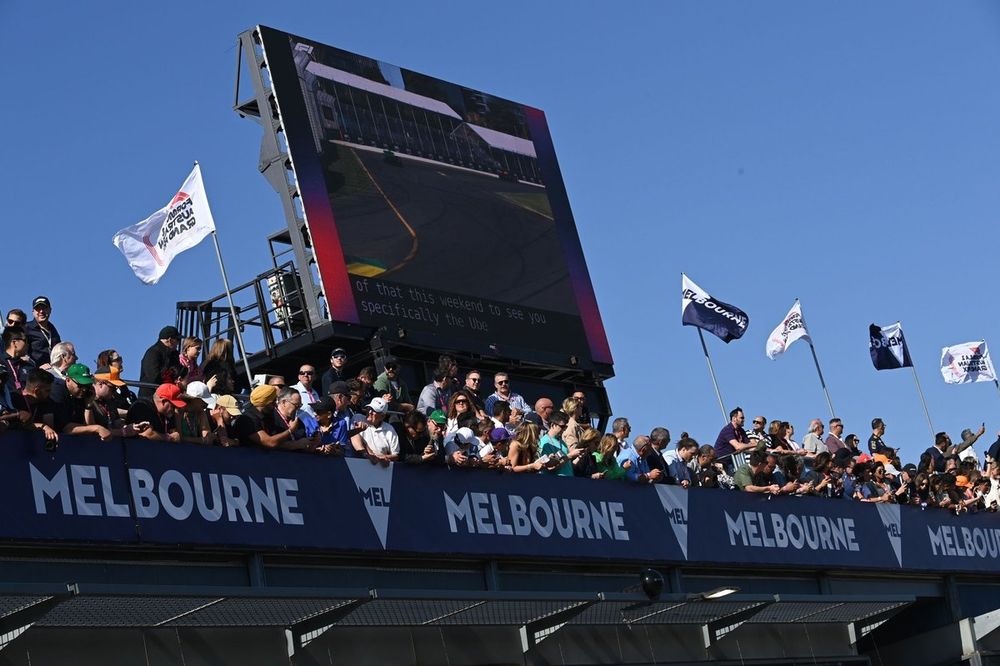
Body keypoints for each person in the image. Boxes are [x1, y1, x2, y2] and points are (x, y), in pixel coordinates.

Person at [233, 385, 318, 451]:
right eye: (273, 402)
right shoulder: (247, 419)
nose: (275, 405)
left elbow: (279, 443)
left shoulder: (268, 417)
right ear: (264, 402)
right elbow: (270, 442)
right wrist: (291, 430)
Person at [139, 326, 182, 398]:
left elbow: (179, 371)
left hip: (167, 395)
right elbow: (154, 376)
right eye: (177, 340)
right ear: (170, 340)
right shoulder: (153, 352)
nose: (178, 343)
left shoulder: (174, 354)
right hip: (151, 397)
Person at [539, 411, 580, 477]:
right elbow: (549, 468)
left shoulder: (562, 442)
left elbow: (567, 466)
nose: (564, 429)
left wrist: (579, 457)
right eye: (562, 426)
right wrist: (569, 456)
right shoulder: (545, 442)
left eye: (565, 427)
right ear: (552, 425)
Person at [359, 397, 400, 463]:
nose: (370, 412)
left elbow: (395, 455)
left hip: (380, 468)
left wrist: (382, 458)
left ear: (383, 416)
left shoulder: (390, 429)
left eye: (374, 410)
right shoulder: (358, 418)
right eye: (369, 408)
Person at [24, 296, 61, 369]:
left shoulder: (53, 330)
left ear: (50, 310)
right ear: (33, 312)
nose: (41, 311)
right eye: (38, 309)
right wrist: (37, 367)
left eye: (44, 308)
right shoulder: (26, 328)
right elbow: (22, 353)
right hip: (35, 372)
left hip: (54, 371)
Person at [714, 407, 754, 473]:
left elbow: (751, 447)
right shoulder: (728, 430)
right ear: (734, 418)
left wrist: (770, 450)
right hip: (722, 464)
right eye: (741, 418)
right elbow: (738, 447)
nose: (744, 420)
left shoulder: (741, 431)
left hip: (732, 463)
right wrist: (755, 444)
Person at [1, 326, 35, 404]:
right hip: (8, 411)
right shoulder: (1, 362)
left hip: (29, 410)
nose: (28, 344)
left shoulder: (29, 366)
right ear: (14, 343)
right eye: (25, 340)